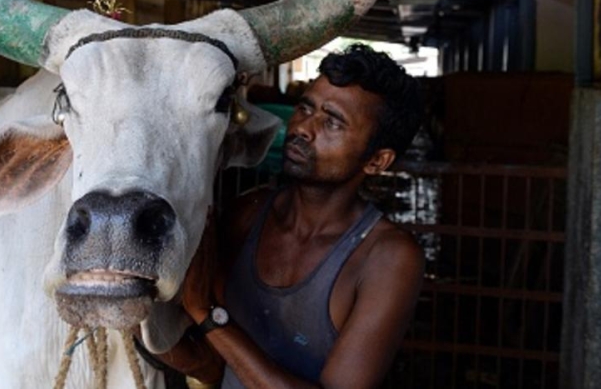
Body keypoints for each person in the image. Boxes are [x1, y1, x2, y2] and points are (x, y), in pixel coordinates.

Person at [161, 44, 425, 388]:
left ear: (377, 161)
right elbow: (213, 364)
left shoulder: (387, 258)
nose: (302, 128)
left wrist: (208, 317)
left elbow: (209, 323)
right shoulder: (247, 213)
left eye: (332, 122)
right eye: (305, 107)